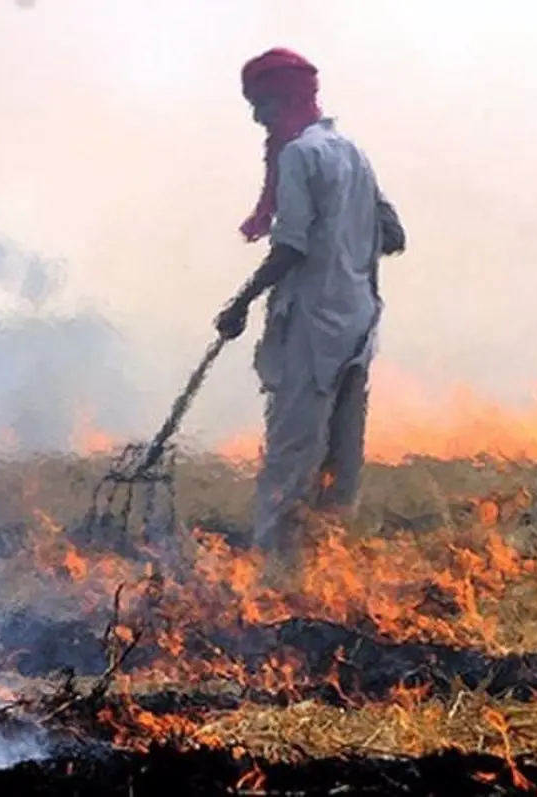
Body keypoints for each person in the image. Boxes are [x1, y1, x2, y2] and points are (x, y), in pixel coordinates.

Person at [215, 47, 406, 573]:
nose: (258, 118)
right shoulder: (352, 153)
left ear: (290, 100)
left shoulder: (299, 155)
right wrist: (348, 237)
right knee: (341, 463)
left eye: (265, 106)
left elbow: (291, 245)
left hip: (313, 326)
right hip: (359, 326)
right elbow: (394, 233)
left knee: (291, 458)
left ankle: (274, 576)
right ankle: (327, 571)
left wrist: (240, 303)